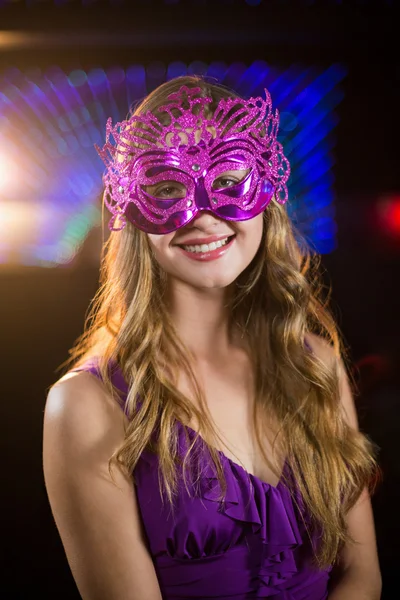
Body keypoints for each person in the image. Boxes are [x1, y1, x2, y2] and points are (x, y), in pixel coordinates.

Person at [43, 76, 382, 600]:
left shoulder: (316, 365)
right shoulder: (86, 405)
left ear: (266, 191)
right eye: (166, 187)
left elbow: (363, 577)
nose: (202, 214)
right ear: (128, 210)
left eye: (228, 180)